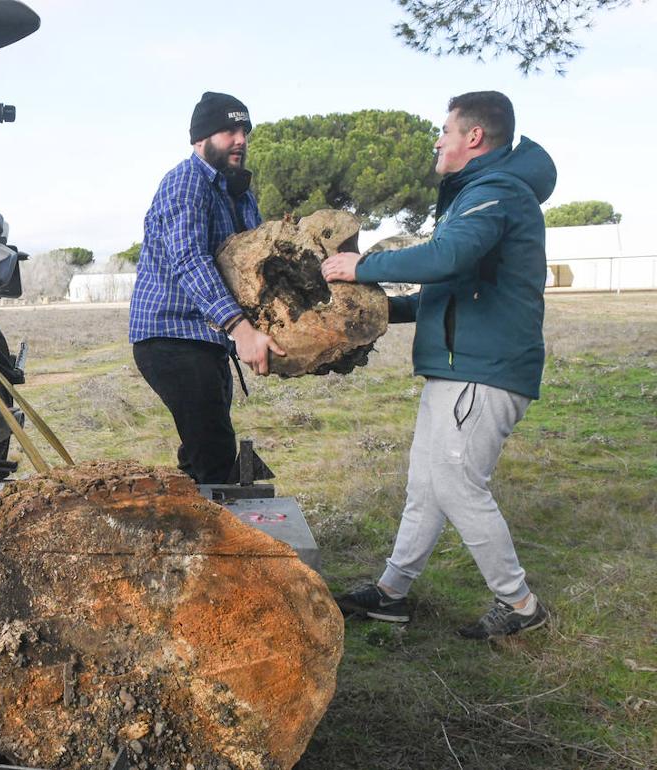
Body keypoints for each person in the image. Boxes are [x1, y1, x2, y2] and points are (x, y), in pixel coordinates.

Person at [321, 91, 556, 640]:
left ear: (473, 137)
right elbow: (450, 286)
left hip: (482, 370)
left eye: (445, 130)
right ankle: (391, 592)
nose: (437, 140)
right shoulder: (478, 196)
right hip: (458, 367)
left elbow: (445, 259)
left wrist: (363, 267)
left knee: (455, 484)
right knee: (426, 484)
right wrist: (378, 313)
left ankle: (519, 603)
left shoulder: (495, 191)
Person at [129, 92, 285, 484]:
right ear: (200, 139)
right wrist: (241, 329)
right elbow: (189, 260)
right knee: (215, 456)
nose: (241, 139)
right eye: (228, 130)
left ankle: (193, 522)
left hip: (208, 340)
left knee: (201, 450)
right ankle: (225, 538)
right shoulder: (185, 183)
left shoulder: (239, 193)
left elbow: (259, 260)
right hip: (170, 336)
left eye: (244, 130)